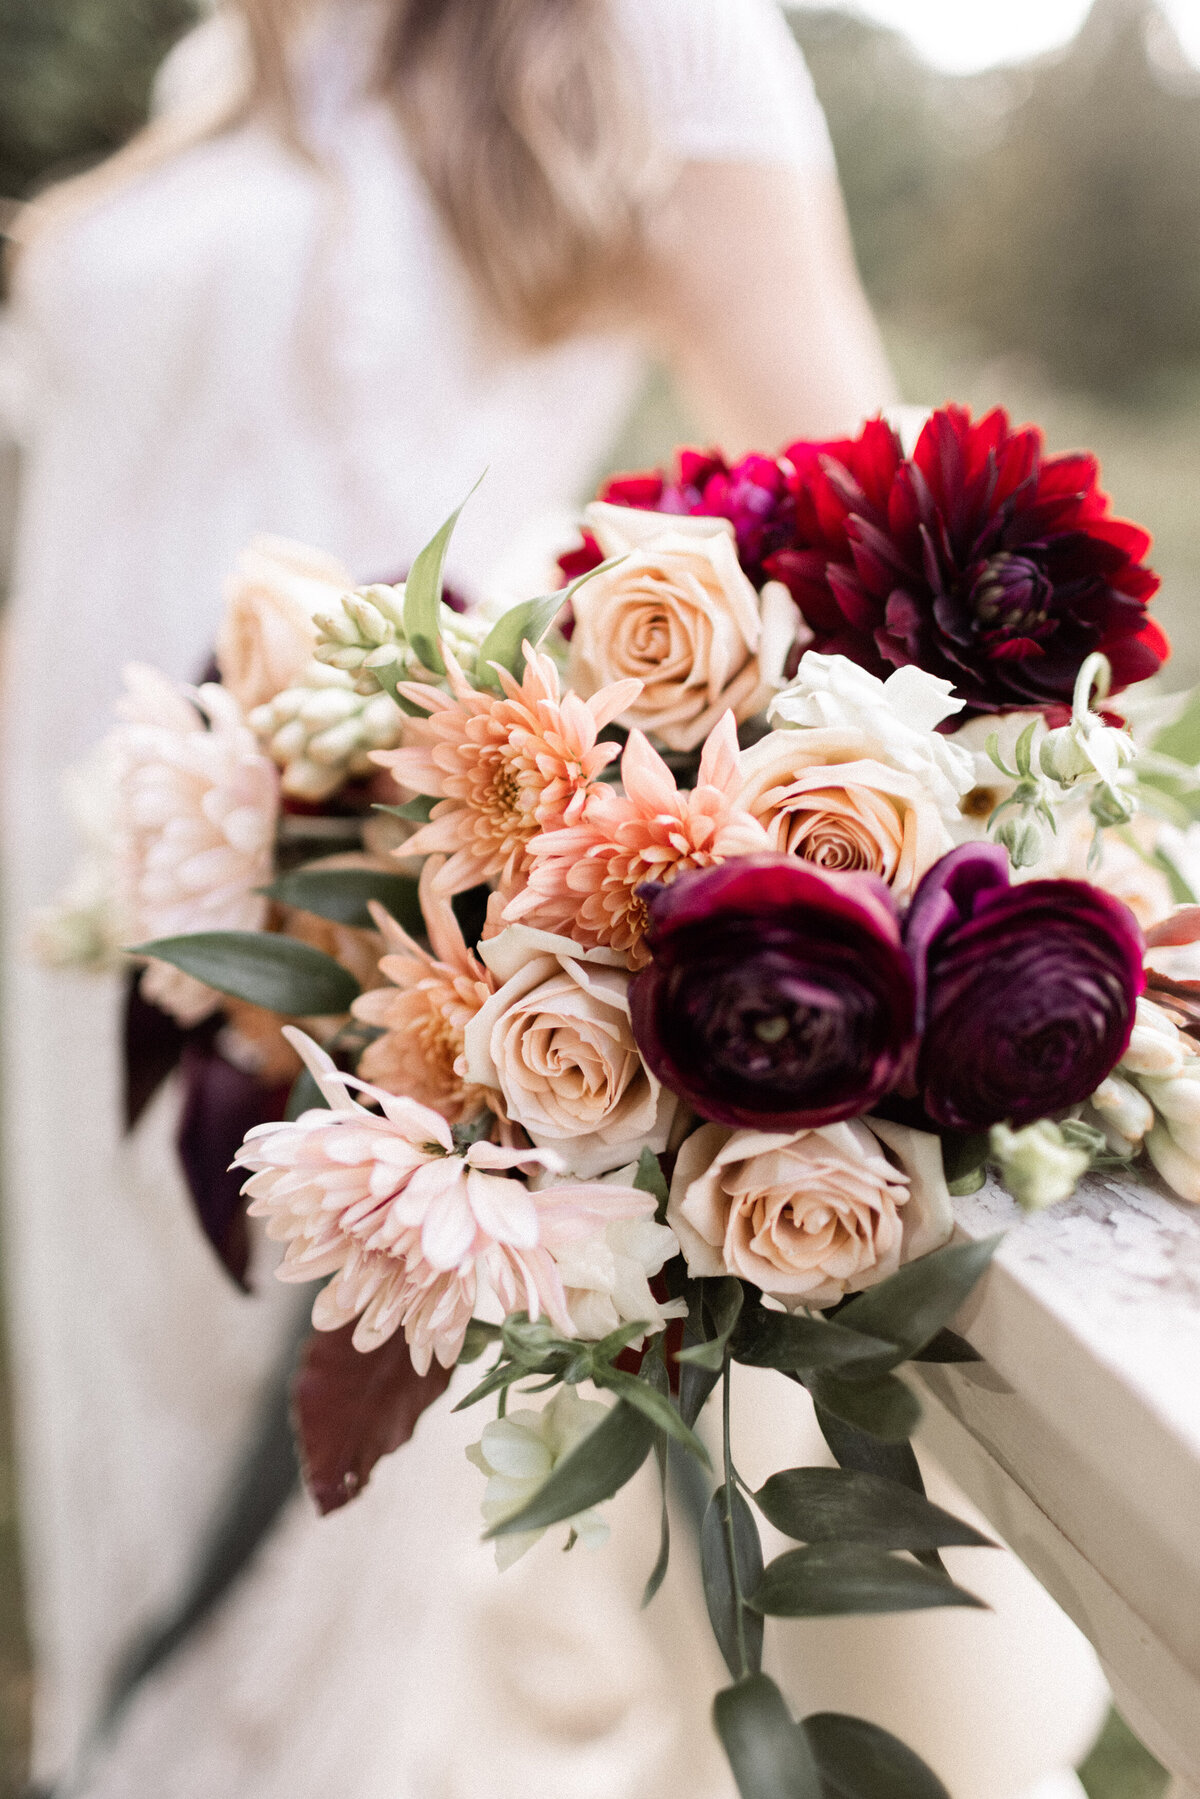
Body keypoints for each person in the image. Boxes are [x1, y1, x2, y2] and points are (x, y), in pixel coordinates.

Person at [1, 2, 1105, 1794]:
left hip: (346, 963)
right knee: (117, 1454)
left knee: (304, 1566)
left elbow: (863, 526)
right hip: (80, 917)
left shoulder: (639, 43)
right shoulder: (226, 65)